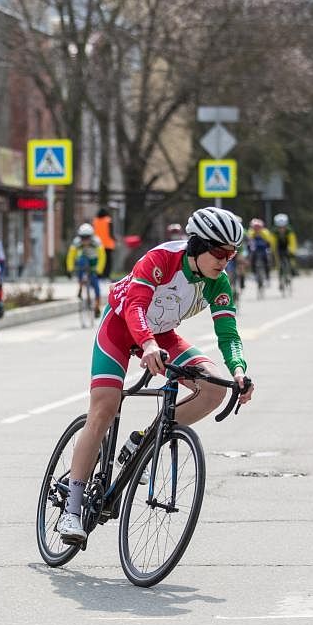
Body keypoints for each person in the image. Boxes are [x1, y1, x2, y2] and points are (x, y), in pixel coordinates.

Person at [57, 207, 254, 545]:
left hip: (162, 335)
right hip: (122, 328)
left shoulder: (218, 281)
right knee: (104, 407)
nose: (226, 260)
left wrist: (239, 372)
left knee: (213, 389)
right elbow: (134, 305)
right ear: (197, 245)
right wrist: (145, 345)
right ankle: (71, 512)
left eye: (232, 253)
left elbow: (228, 333)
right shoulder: (161, 258)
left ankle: (144, 438)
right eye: (220, 252)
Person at [66, 223, 106, 316]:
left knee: (96, 285)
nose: (85, 240)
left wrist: (99, 270)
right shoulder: (76, 242)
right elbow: (71, 256)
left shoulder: (96, 241)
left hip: (94, 260)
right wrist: (70, 269)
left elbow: (102, 256)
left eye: (87, 237)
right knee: (81, 261)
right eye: (83, 237)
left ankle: (97, 306)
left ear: (91, 236)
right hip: (83, 259)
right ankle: (80, 285)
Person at [245, 218, 273, 286]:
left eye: (258, 227)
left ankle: (267, 277)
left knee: (267, 261)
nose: (257, 229)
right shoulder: (251, 232)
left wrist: (268, 248)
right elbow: (249, 241)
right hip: (255, 250)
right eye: (255, 227)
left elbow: (269, 241)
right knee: (252, 259)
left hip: (263, 249)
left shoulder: (265, 232)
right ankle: (254, 273)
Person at [271, 213, 298, 279]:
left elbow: (293, 242)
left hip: (287, 245)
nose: (281, 229)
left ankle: (293, 269)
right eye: (279, 227)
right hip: (279, 246)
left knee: (291, 258)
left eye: (283, 227)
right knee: (278, 259)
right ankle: (280, 273)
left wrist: (292, 250)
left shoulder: (290, 231)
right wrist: (273, 250)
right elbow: (273, 242)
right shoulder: (274, 231)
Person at [91, 208, 116, 278]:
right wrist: (115, 239)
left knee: (99, 260)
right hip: (108, 245)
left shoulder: (95, 221)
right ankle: (107, 274)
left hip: (97, 244)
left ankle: (99, 274)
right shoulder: (108, 221)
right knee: (108, 261)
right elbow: (111, 233)